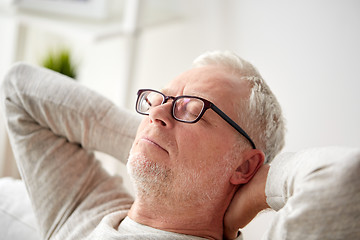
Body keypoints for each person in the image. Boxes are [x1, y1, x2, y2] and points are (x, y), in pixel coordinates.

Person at [1, 51, 359, 240]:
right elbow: (18, 87)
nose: (158, 111)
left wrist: (254, 194)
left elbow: (345, 180)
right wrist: (147, 139)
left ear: (245, 167)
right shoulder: (85, 212)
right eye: (161, 98)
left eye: (192, 108)